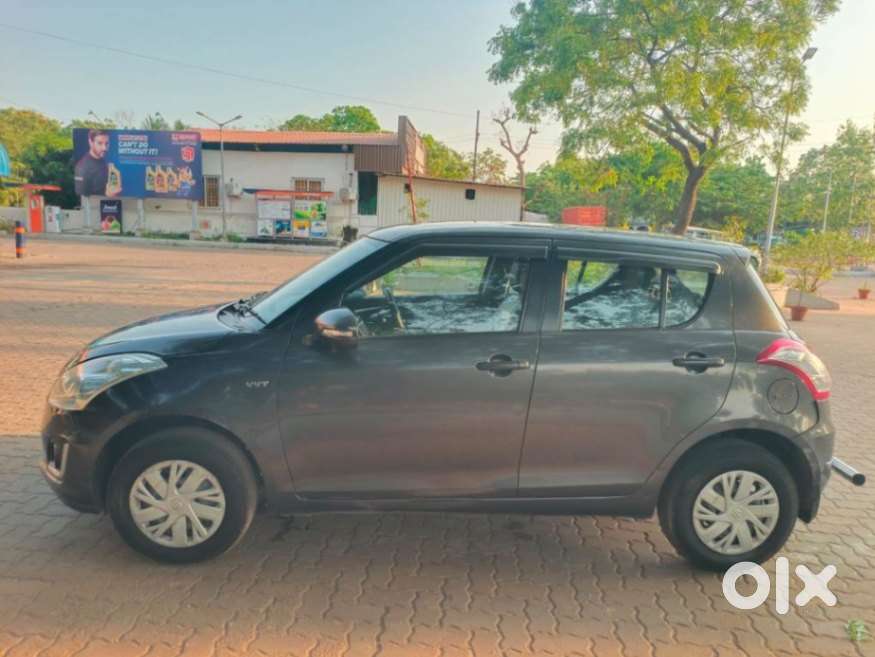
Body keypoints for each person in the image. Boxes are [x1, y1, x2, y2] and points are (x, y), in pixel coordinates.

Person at [74, 130, 112, 196]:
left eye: (106, 143)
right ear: (90, 142)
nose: (104, 148)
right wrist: (108, 195)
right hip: (93, 205)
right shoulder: (82, 167)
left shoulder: (101, 159)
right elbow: (82, 196)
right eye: (100, 143)